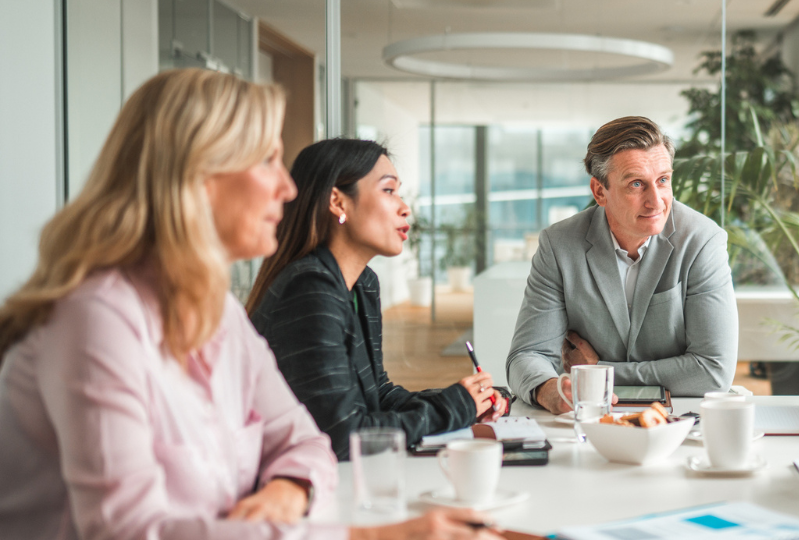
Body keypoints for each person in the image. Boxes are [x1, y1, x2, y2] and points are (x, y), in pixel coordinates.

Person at [0, 69, 499, 540]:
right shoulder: (98, 318)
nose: (286, 188)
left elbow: (308, 445)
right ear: (194, 174)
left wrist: (289, 489)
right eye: (266, 161)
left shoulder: (217, 312)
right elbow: (131, 532)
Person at [247, 138, 508, 461]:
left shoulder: (361, 284)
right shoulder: (310, 289)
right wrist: (453, 407)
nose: (404, 207)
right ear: (338, 202)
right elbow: (343, 434)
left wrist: (468, 399)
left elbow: (377, 394)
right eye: (388, 190)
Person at [506, 116, 739, 413]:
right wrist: (547, 389)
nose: (656, 202)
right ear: (600, 191)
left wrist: (598, 371)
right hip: (588, 415)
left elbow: (713, 370)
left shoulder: (702, 241)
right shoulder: (559, 245)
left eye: (663, 180)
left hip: (680, 419)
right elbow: (527, 355)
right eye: (637, 184)